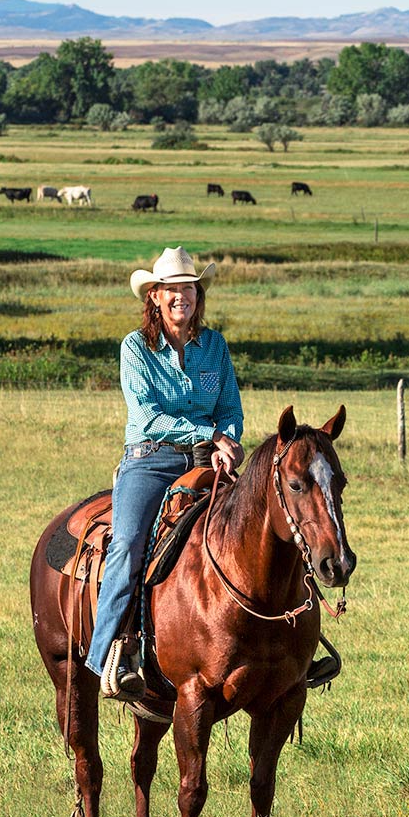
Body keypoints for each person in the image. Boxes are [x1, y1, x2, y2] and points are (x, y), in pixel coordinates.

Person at [86, 246, 245, 703]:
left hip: (206, 460)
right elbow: (148, 414)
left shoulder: (214, 347)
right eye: (171, 290)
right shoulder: (135, 347)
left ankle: (285, 645)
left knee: (263, 524)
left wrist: (226, 441)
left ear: (198, 295)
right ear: (155, 297)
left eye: (188, 289)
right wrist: (208, 434)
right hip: (149, 459)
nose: (181, 297)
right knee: (130, 541)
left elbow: (230, 408)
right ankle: (104, 658)